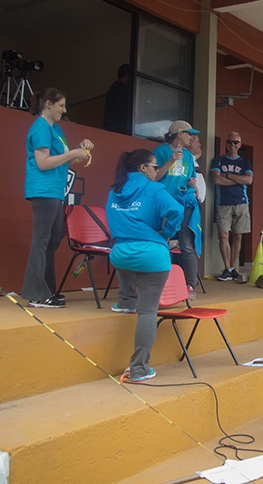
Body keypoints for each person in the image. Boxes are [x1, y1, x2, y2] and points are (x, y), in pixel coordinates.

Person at [106, 149, 183, 382]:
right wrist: (167, 233)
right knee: (148, 311)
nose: (156, 170)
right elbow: (177, 211)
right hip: (152, 255)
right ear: (143, 168)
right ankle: (139, 369)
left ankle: (126, 301)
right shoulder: (154, 189)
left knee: (126, 260)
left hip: (120, 253)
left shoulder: (115, 190)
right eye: (154, 166)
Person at [22, 88, 93, 308]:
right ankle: (36, 293)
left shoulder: (57, 129)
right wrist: (73, 153)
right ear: (48, 104)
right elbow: (43, 163)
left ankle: (47, 290)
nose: (64, 110)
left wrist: (79, 150)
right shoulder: (41, 127)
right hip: (44, 190)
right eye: (61, 105)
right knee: (42, 241)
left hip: (55, 190)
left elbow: (61, 160)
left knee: (53, 240)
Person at [154, 121, 203, 297]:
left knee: (186, 245)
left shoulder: (189, 156)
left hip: (186, 202)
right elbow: (155, 177)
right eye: (189, 134)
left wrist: (193, 184)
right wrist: (170, 160)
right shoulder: (160, 151)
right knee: (162, 242)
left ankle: (190, 286)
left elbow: (191, 179)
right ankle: (162, 283)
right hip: (165, 202)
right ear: (179, 133)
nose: (191, 137)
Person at [210, 132, 253, 282]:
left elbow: (248, 180)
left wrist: (227, 176)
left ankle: (233, 268)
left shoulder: (245, 163)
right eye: (230, 142)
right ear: (226, 144)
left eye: (236, 142)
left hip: (241, 202)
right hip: (223, 203)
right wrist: (237, 180)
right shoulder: (218, 161)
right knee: (223, 235)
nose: (232, 145)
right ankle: (227, 268)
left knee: (237, 235)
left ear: (240, 144)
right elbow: (216, 179)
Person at [103, 64, 131, 134]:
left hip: (111, 129)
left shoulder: (114, 88)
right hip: (118, 130)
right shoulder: (121, 89)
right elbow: (125, 110)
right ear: (127, 75)